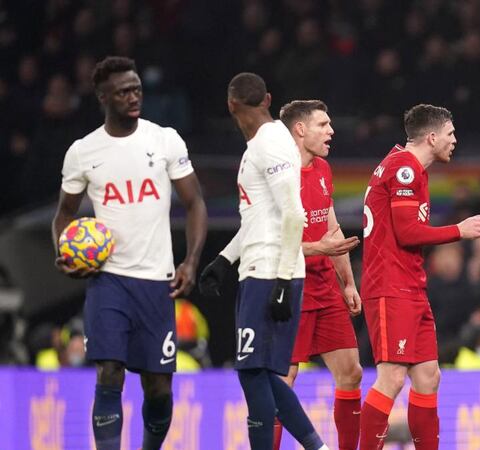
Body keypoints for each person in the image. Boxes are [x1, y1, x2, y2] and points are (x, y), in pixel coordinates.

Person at [51, 56, 208, 450]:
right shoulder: (84, 151)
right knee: (109, 372)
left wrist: (190, 261)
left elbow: (195, 204)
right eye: (123, 92)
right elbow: (63, 216)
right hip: (108, 280)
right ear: (104, 97)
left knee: (158, 387)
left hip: (157, 281)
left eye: (136, 88)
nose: (133, 97)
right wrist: (65, 253)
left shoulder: (165, 139)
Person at [201, 99, 363, 450]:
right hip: (288, 283)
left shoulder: (323, 169)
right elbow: (269, 239)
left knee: (351, 373)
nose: (331, 131)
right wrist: (319, 249)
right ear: (300, 130)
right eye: (323, 124)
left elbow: (330, 226)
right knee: (282, 380)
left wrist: (347, 281)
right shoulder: (277, 172)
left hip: (325, 287)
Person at [359, 104, 480, 450]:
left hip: (410, 286)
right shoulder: (404, 169)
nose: (455, 140)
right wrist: (460, 230)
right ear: (433, 136)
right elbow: (408, 232)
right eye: (451, 134)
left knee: (428, 376)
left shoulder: (407, 166)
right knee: (392, 378)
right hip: (390, 287)